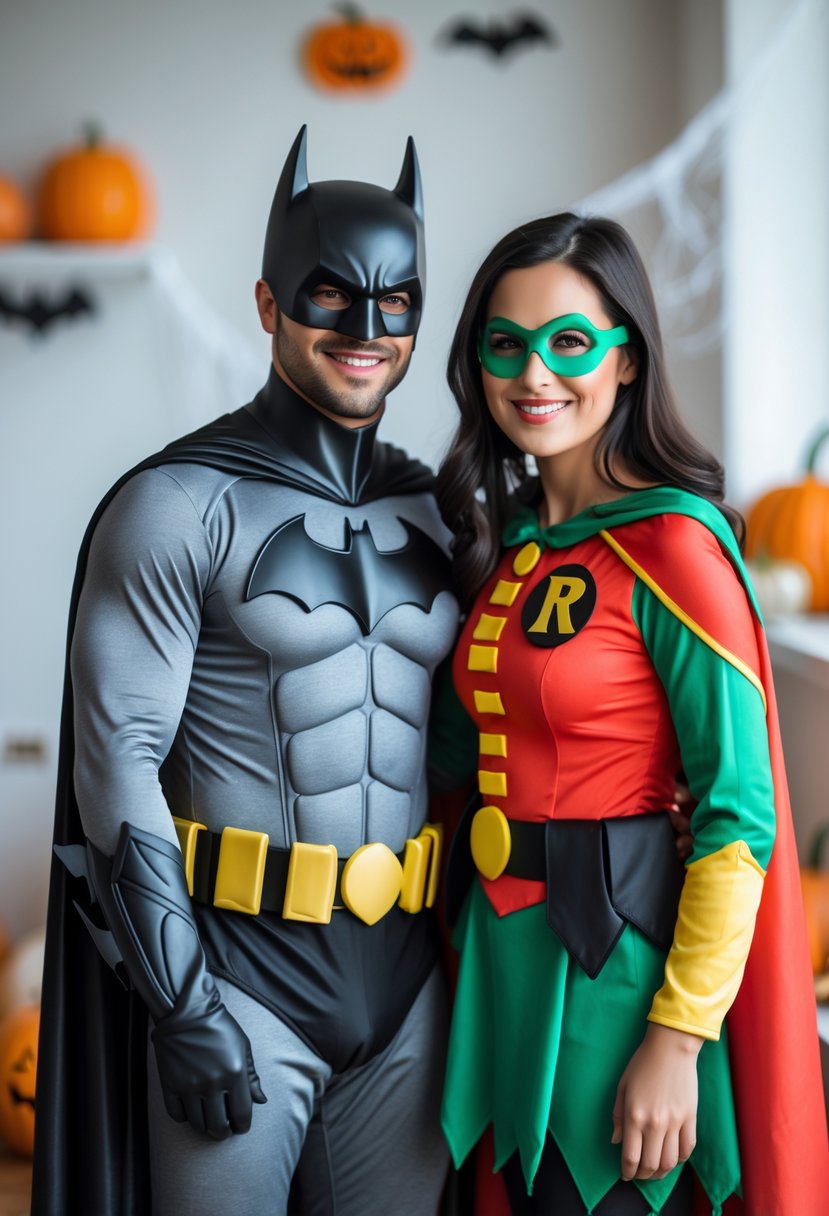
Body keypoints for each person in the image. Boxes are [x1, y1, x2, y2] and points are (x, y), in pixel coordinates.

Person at [32, 126, 459, 1216]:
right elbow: (117, 762)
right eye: (331, 295)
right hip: (238, 971)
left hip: (408, 974)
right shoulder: (180, 504)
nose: (365, 331)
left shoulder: (444, 510)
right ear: (268, 303)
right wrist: (180, 1003)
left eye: (396, 301)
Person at [431, 212, 829, 1215]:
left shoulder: (672, 549)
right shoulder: (508, 543)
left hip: (616, 971)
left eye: (569, 340)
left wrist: (677, 1037)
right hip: (499, 963)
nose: (534, 373)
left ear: (627, 357)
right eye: (505, 343)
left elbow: (737, 813)